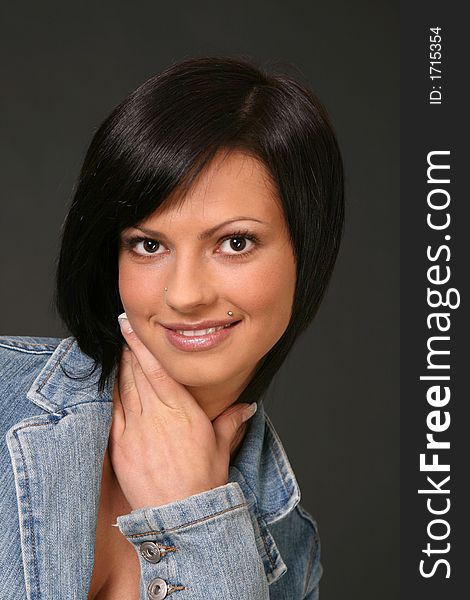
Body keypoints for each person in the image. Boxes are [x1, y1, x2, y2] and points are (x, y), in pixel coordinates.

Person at [0, 57, 344, 599]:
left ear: (309, 250)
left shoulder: (288, 549)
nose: (185, 294)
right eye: (149, 245)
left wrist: (196, 521)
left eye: (235, 242)